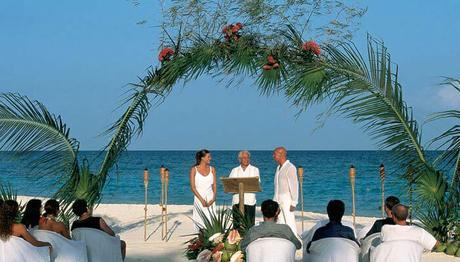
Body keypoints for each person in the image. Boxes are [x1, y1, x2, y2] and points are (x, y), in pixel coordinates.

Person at [229, 150, 260, 228]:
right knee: (237, 225)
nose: (246, 159)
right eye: (244, 158)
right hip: (237, 200)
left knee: (249, 225)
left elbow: (256, 184)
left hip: (250, 201)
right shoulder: (234, 170)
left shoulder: (255, 169)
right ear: (239, 159)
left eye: (247, 157)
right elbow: (229, 185)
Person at [272, 146, 299, 235]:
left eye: (275, 154)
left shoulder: (290, 168)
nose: (273, 156)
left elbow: (294, 186)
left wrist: (294, 202)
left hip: (287, 200)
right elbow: (277, 187)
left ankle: (295, 242)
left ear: (281, 155)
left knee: (289, 222)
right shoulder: (278, 168)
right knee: (279, 222)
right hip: (277, 200)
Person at [190, 149, 217, 232]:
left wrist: (213, 198)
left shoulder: (212, 169)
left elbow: (214, 185)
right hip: (199, 199)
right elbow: (193, 187)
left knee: (211, 222)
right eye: (208, 157)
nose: (210, 158)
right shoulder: (194, 169)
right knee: (200, 222)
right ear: (202, 158)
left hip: (211, 200)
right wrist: (202, 200)